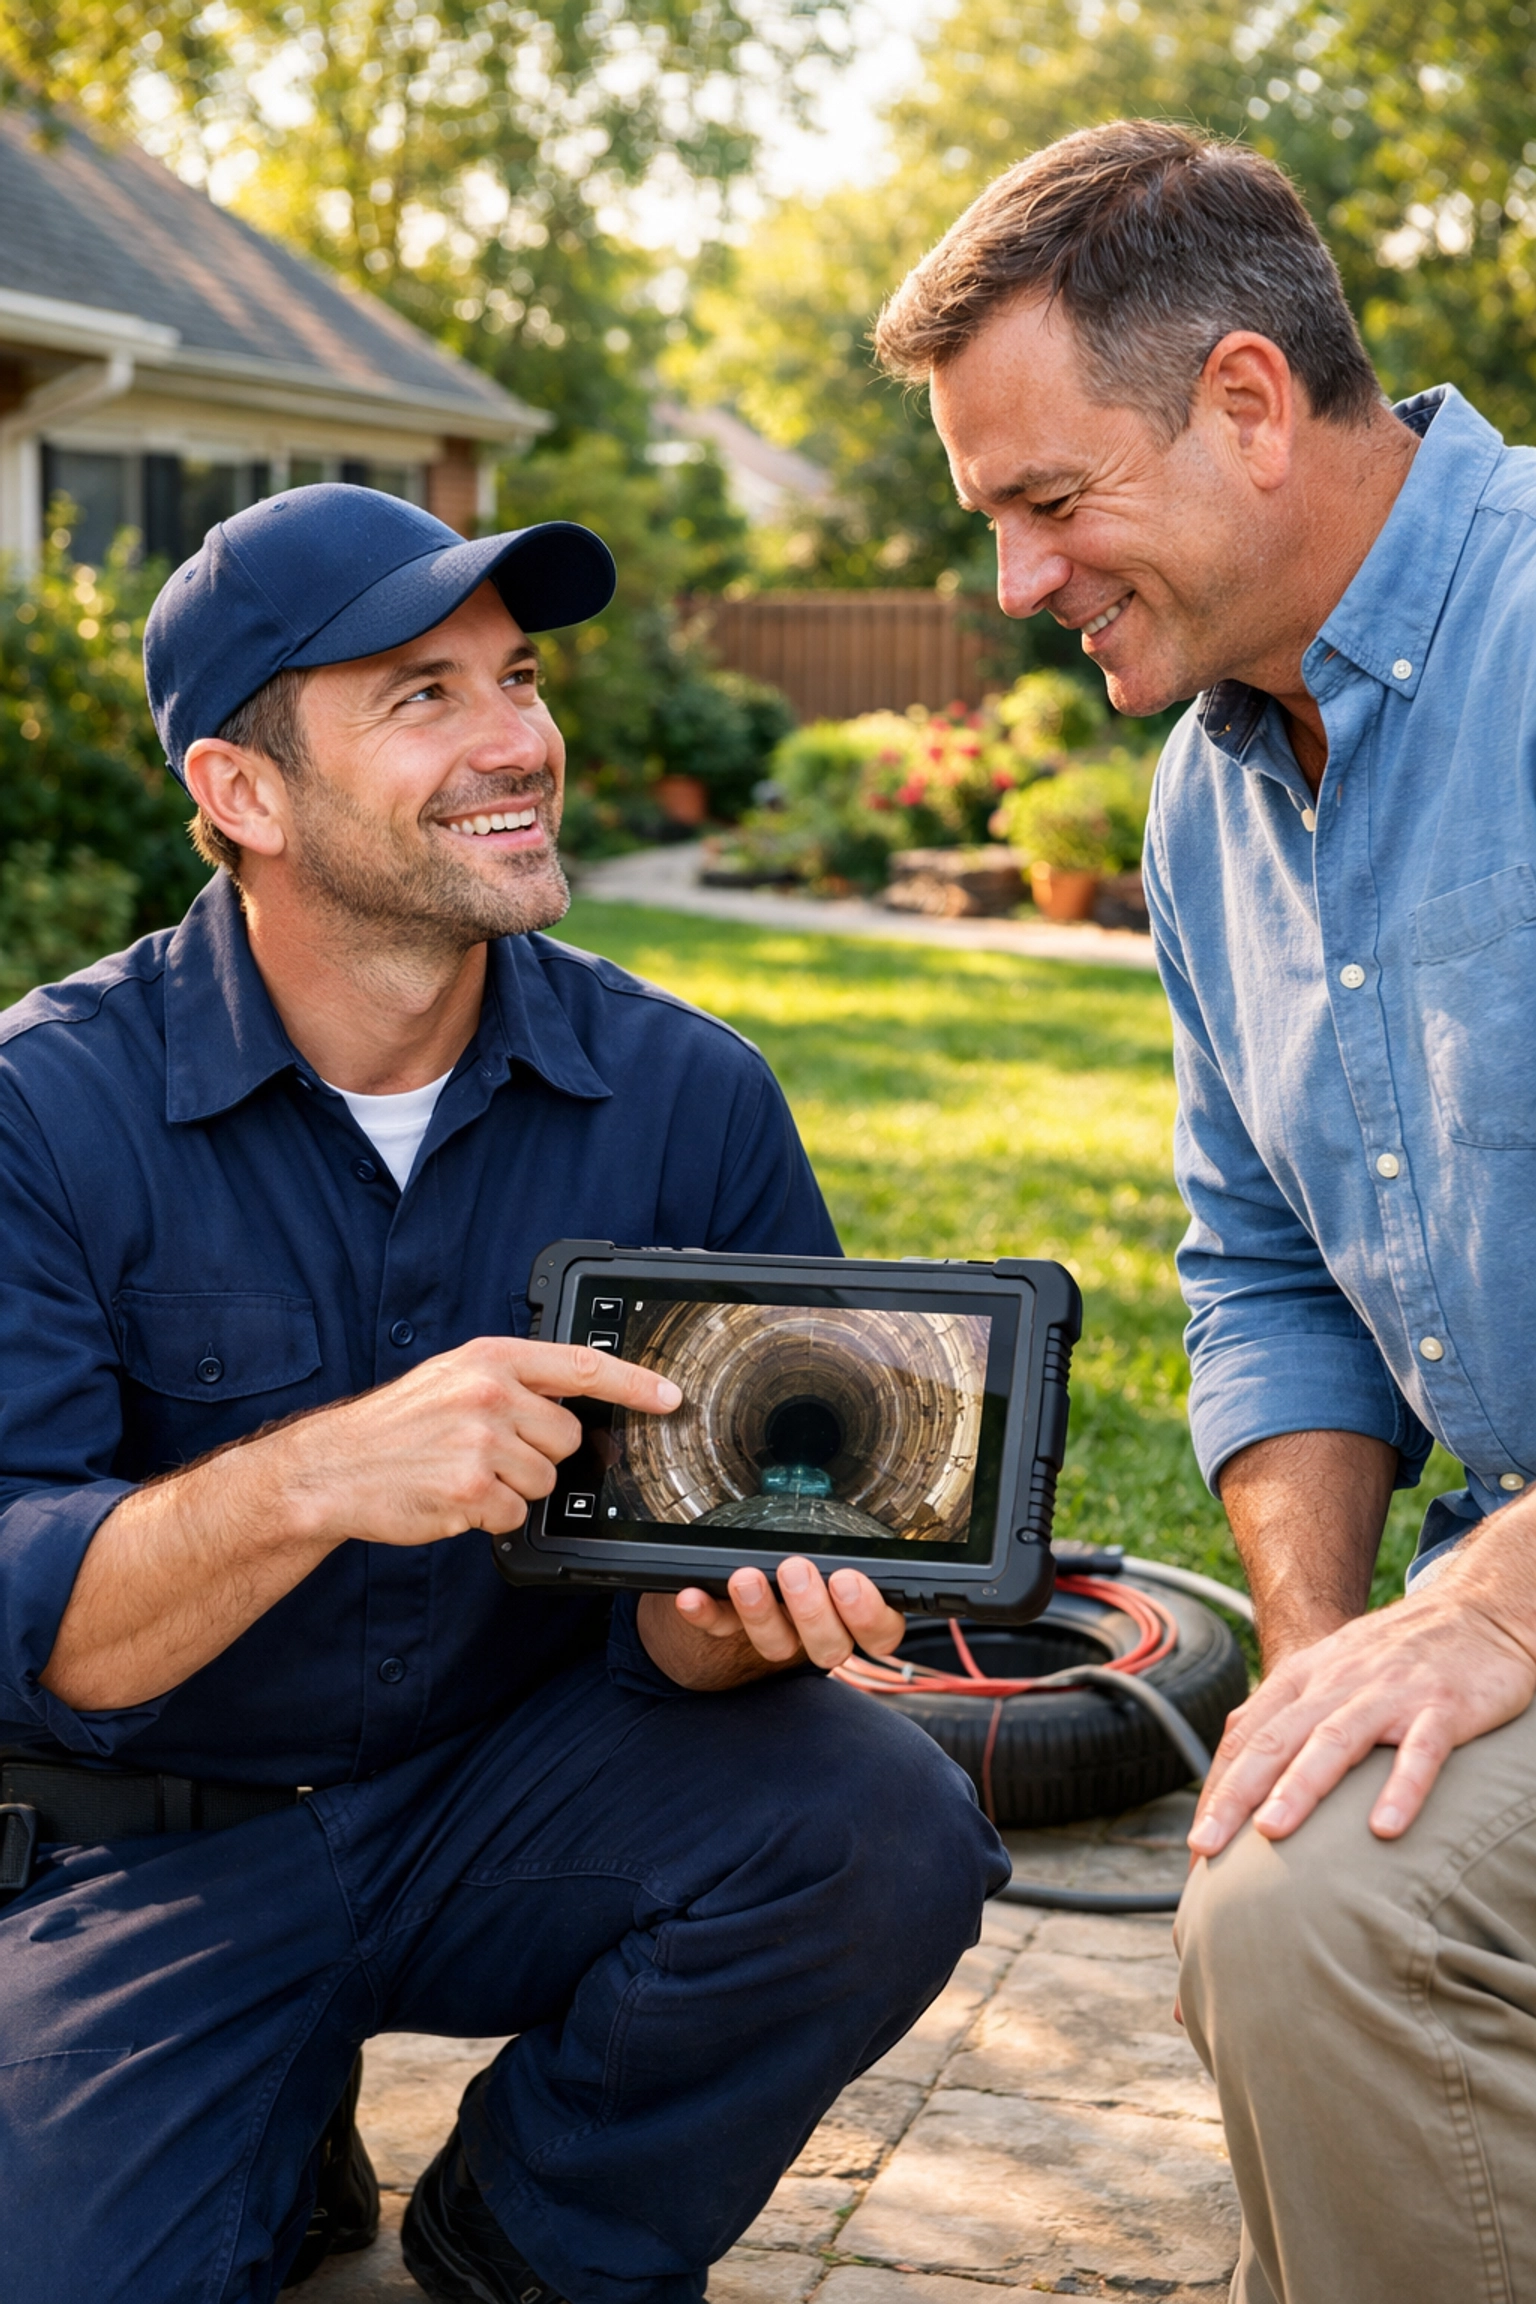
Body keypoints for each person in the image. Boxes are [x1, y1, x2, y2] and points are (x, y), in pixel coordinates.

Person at [0, 484, 1006, 2304]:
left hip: (511, 1806)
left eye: (517, 677)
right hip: (156, 1847)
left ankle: (531, 2235)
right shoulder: (43, 1112)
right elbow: (32, 1627)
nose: (518, 741)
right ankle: (264, 2117)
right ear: (242, 793)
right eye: (422, 695)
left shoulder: (692, 1098)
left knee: (880, 1825)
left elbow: (690, 1641)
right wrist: (317, 1477)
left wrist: (734, 1627)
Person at [876, 117, 1536, 2304]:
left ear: (1250, 404)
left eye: (1048, 505)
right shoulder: (1203, 807)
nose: (1016, 586)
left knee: (1312, 1917)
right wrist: (1328, 1653)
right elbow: (1265, 1278)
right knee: (1298, 1838)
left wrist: (1489, 1610)